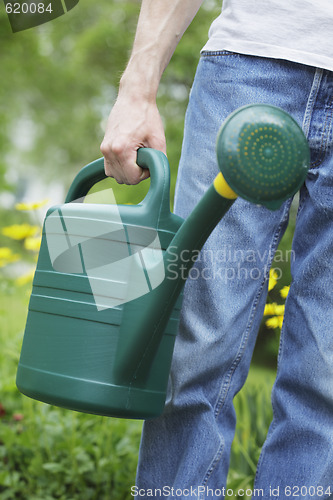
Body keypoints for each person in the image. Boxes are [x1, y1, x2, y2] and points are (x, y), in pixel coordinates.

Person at [100, 0, 333, 498]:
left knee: (328, 373)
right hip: (251, 62)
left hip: (248, 71)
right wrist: (136, 89)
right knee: (193, 352)